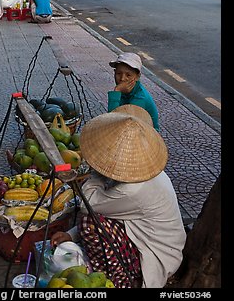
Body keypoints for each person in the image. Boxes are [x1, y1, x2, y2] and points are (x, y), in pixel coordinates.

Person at [50, 108, 186, 288]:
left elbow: (88, 203)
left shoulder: (133, 190)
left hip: (155, 256)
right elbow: (112, 210)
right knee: (92, 220)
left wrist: (96, 168)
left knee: (89, 224)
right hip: (148, 238)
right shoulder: (146, 172)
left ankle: (121, 282)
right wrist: (70, 235)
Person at [107, 52, 160, 131]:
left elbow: (115, 123)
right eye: (118, 73)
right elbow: (109, 121)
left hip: (146, 136)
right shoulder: (125, 91)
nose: (122, 79)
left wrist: (117, 91)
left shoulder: (140, 98)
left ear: (137, 76)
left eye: (128, 75)